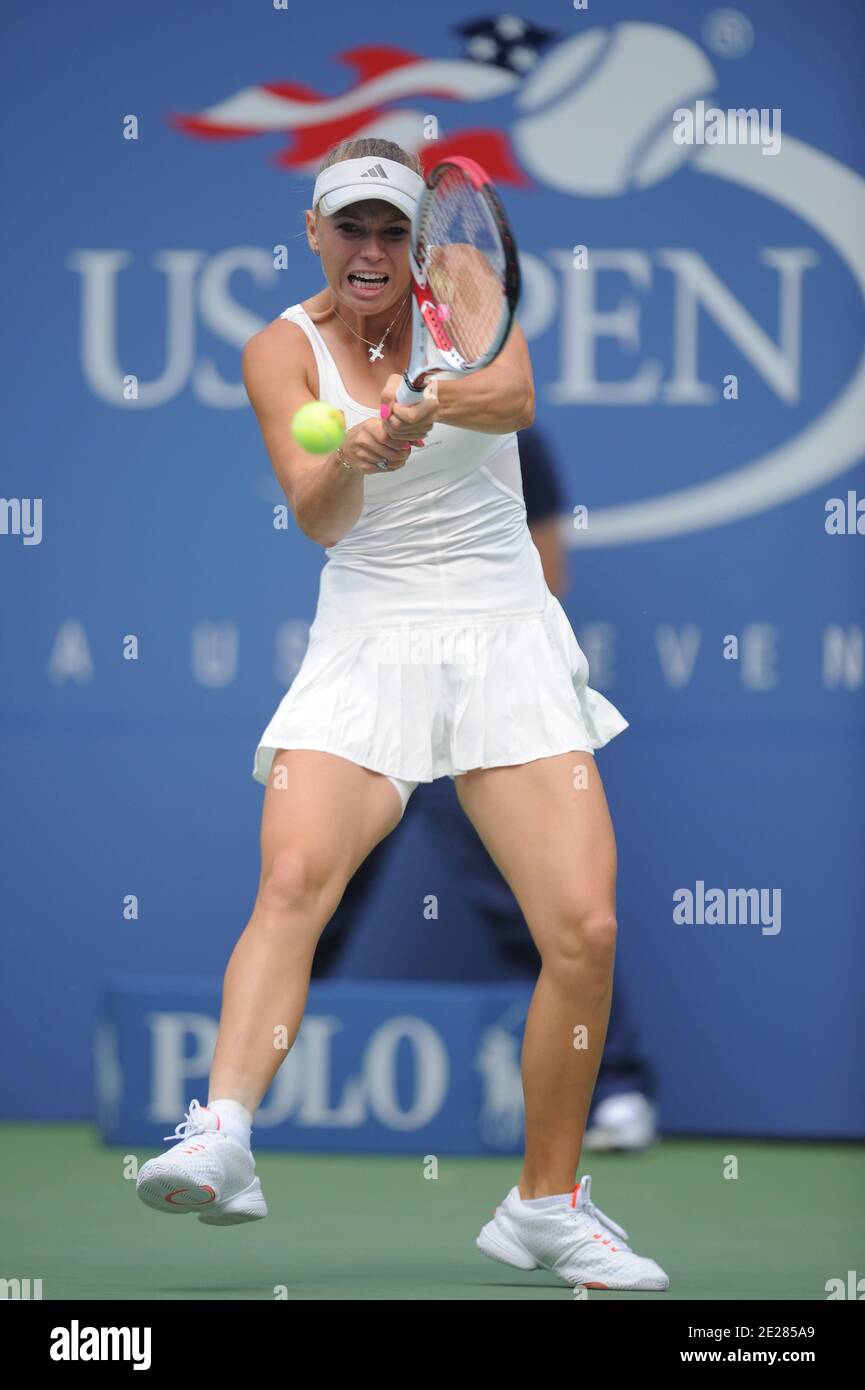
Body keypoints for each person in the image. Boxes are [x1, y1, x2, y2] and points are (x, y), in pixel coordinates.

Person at [135, 137, 669, 1291]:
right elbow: (317, 514)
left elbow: (515, 390)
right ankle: (224, 1130)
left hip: (503, 629)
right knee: (295, 878)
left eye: (394, 230)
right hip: (367, 637)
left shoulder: (460, 290)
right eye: (353, 228)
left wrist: (427, 398)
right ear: (314, 234)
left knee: (585, 929)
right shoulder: (277, 348)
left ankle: (547, 1203)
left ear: (418, 241)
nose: (374, 250)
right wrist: (364, 453)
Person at [309, 425, 661, 1154]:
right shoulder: (360, 421)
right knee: (308, 891)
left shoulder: (510, 428)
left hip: (479, 706)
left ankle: (617, 1089)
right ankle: (238, 1102)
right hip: (375, 694)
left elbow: (548, 569)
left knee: (550, 911)